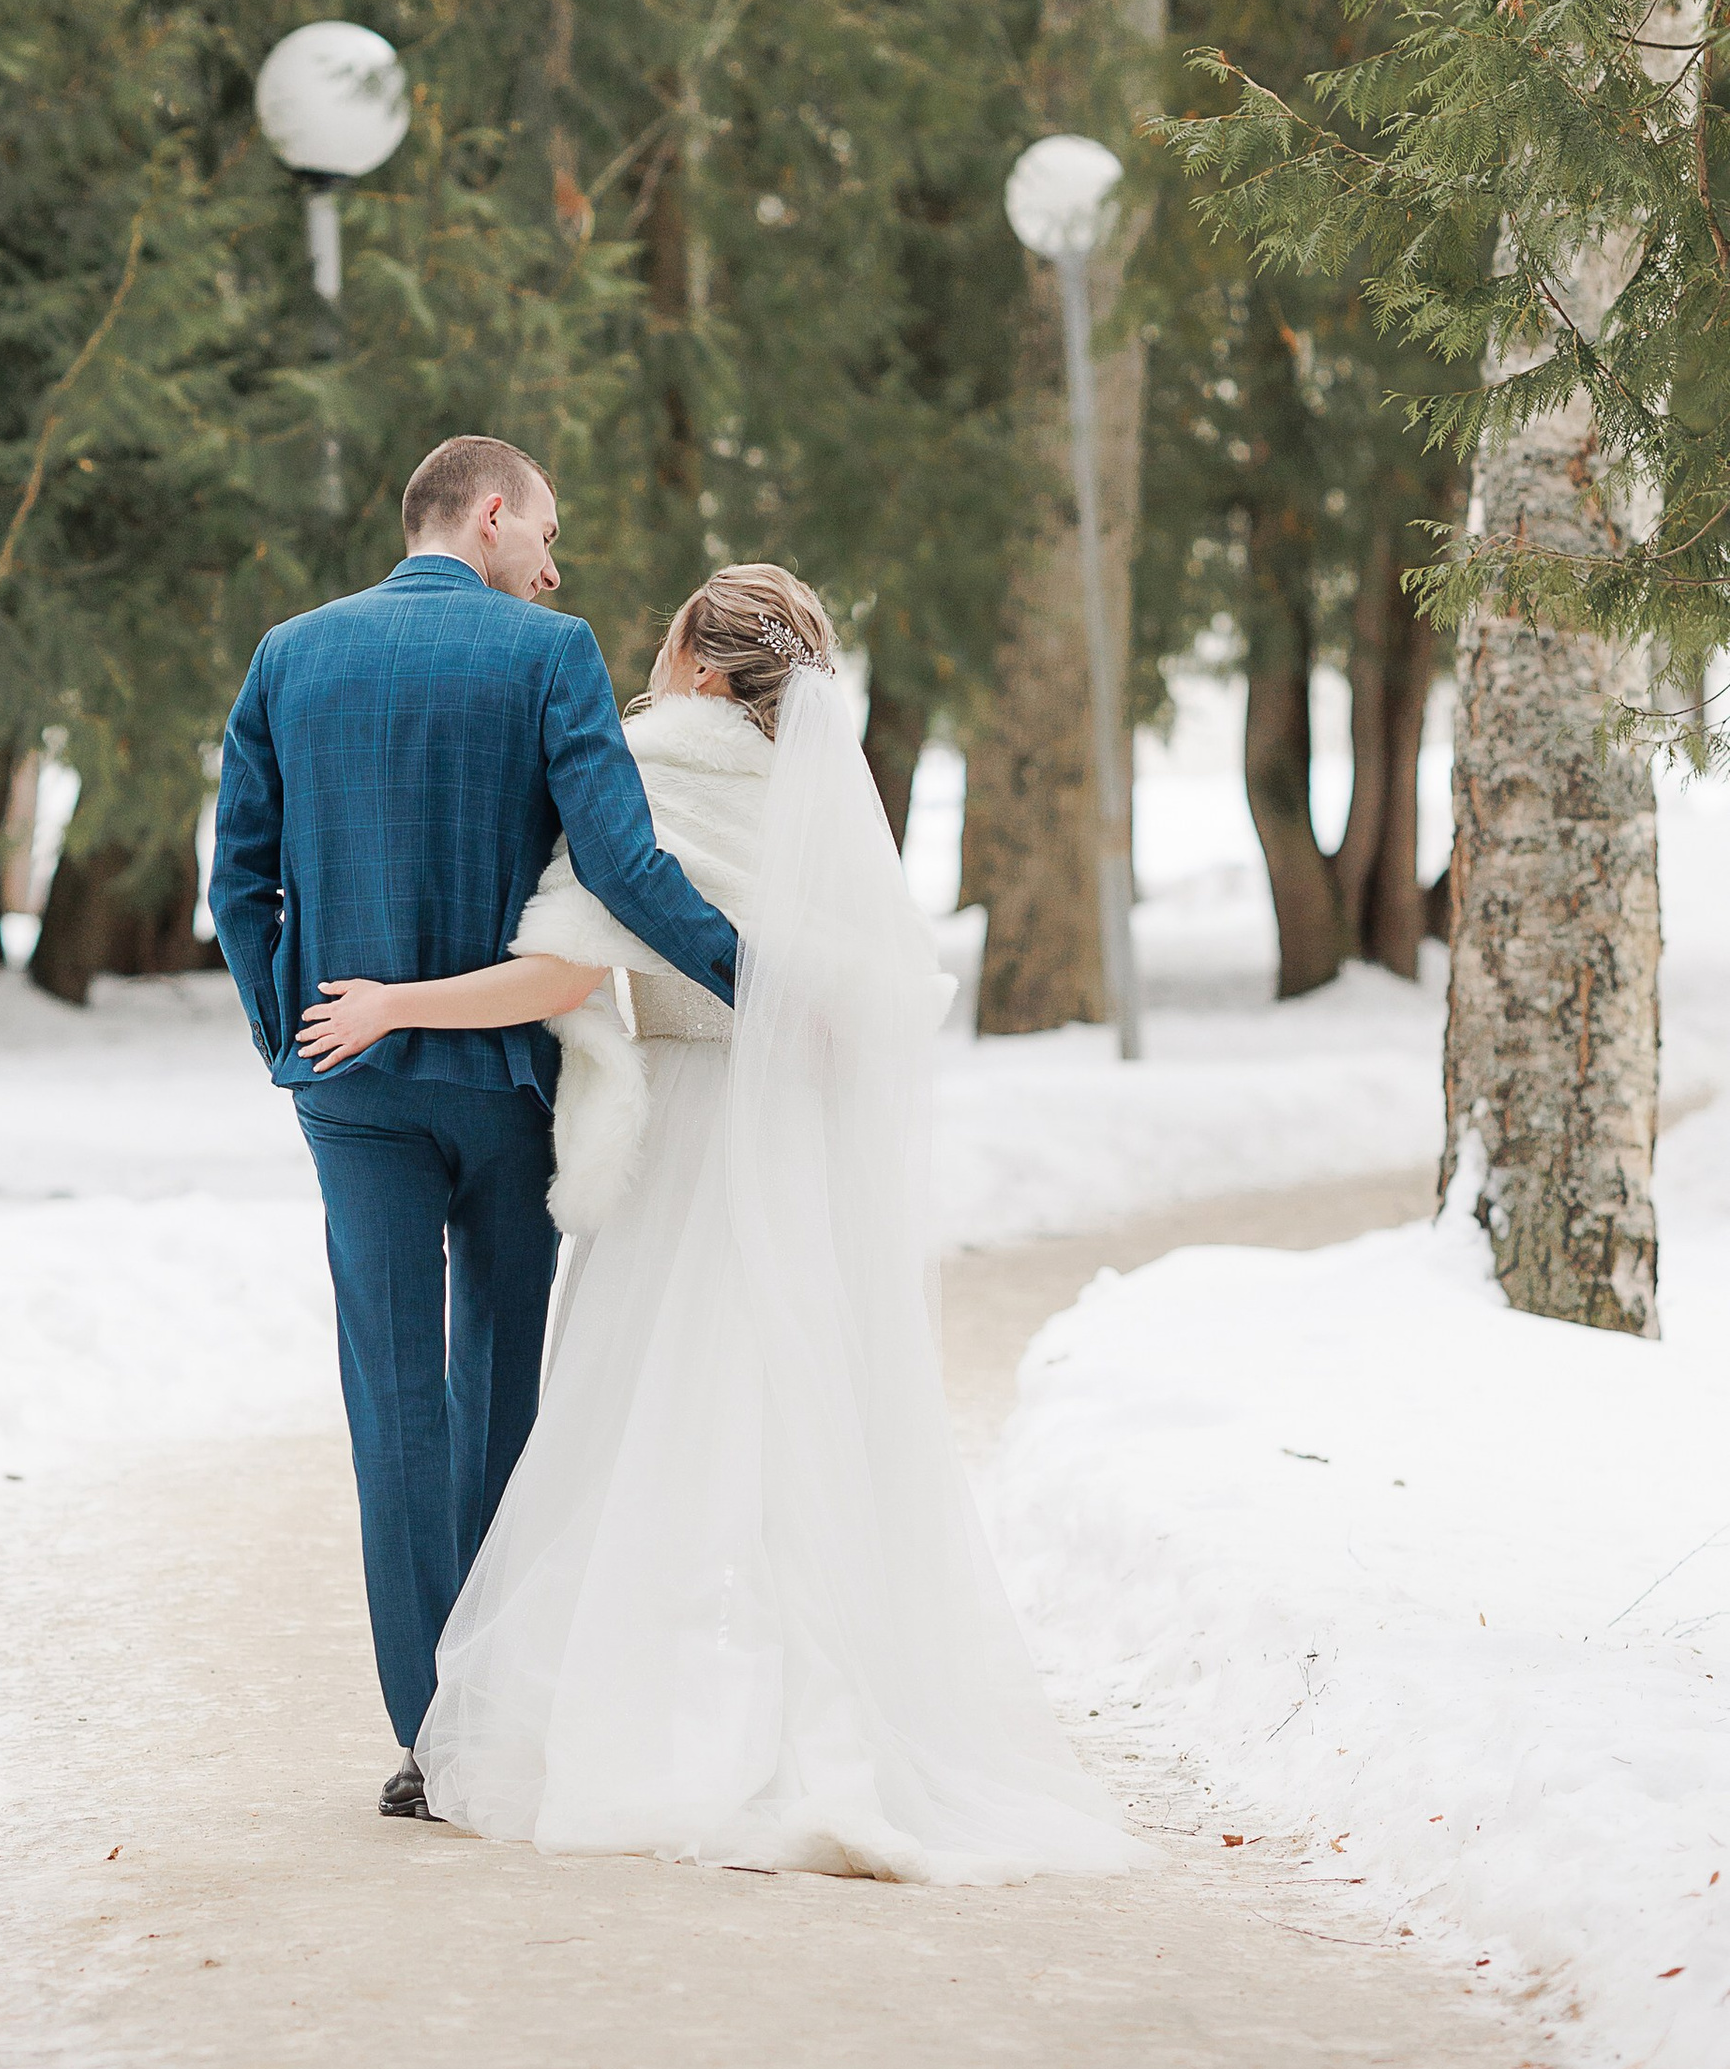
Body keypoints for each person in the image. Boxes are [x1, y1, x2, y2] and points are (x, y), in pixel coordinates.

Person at [297, 563, 1136, 1884]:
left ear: (691, 656)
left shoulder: (645, 769)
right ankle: (813, 1724)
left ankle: (663, 1726)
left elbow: (566, 967)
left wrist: (397, 1006)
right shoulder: (815, 799)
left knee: (655, 1427)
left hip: (694, 1125)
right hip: (796, 1137)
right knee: (795, 1425)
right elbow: (884, 992)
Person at [210, 436, 742, 1821]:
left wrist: (292, 1040)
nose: (553, 563)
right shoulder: (549, 655)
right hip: (508, 1083)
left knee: (391, 1402)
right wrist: (760, 974)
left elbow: (241, 879)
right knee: (497, 1389)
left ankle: (426, 1735)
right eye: (545, 530)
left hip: (357, 1090)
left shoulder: (289, 655)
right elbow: (624, 868)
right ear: (489, 512)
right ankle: (493, 1713)